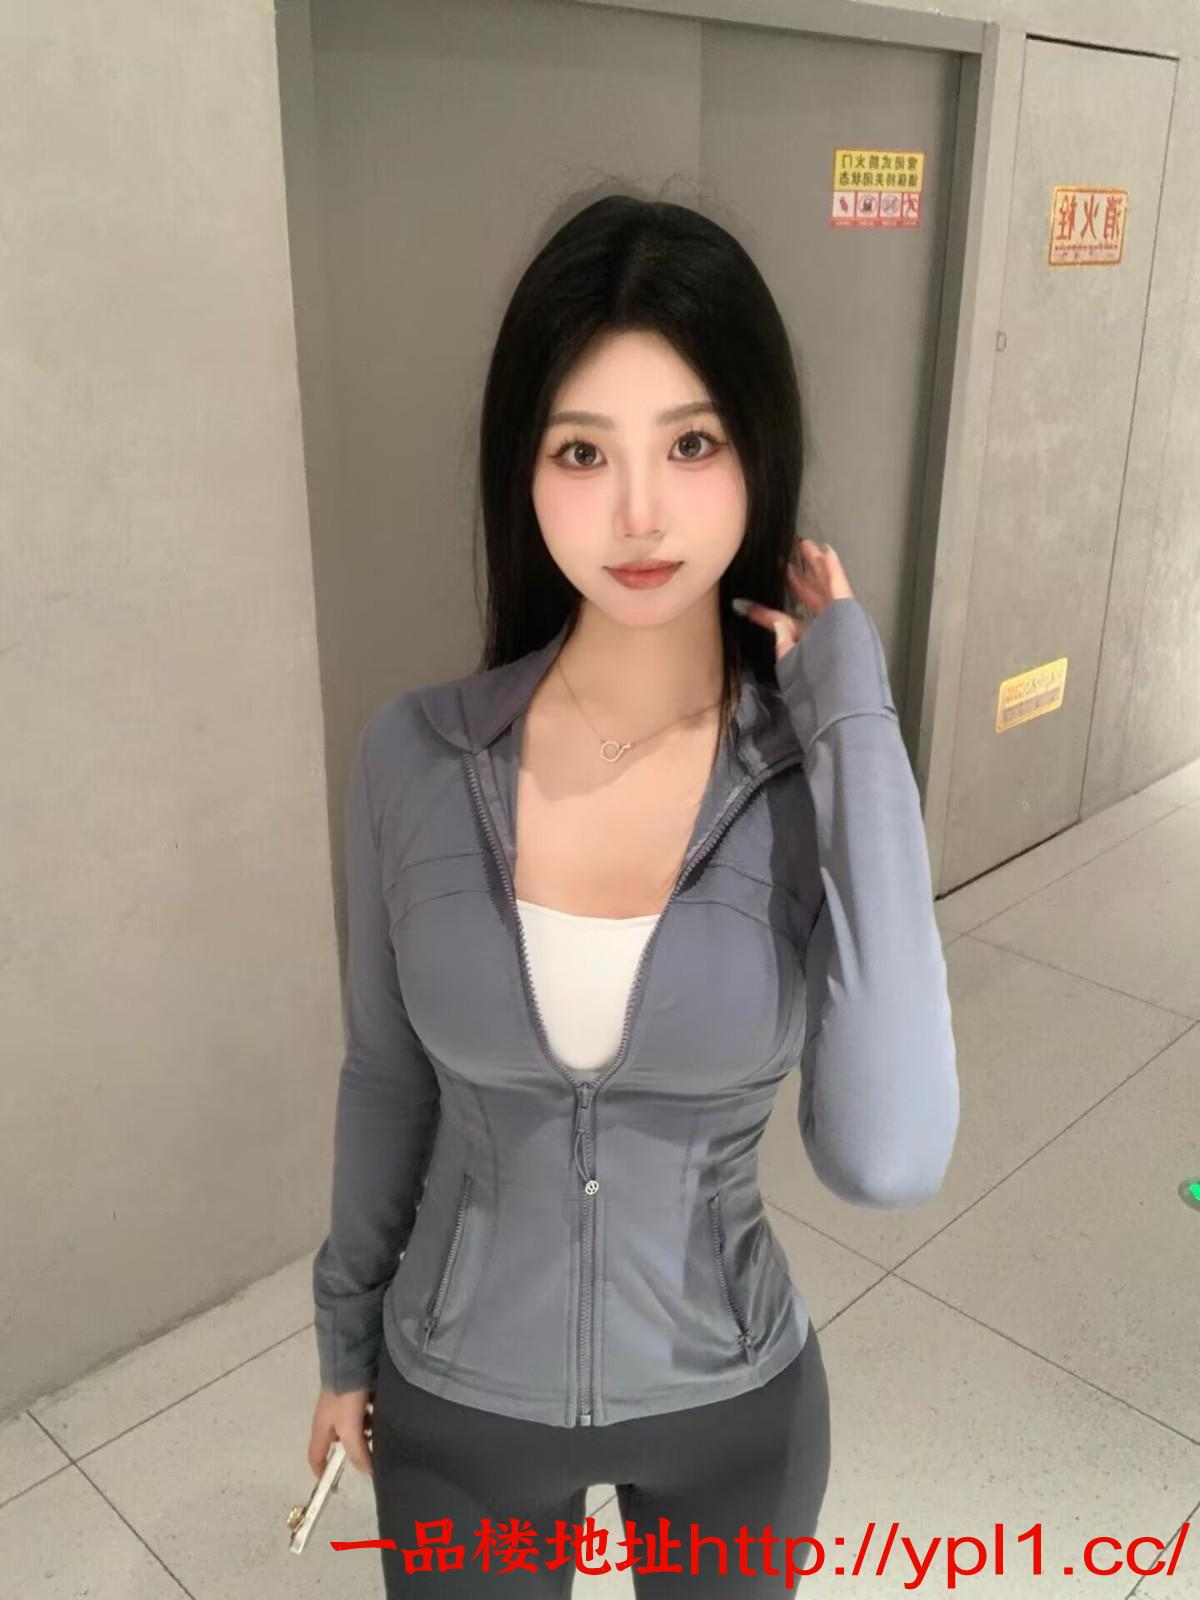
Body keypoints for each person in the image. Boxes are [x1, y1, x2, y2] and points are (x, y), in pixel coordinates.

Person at [305, 188, 960, 1597]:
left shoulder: (809, 774)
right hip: (460, 1406)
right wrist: (344, 1339)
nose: (641, 512)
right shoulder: (414, 758)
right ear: (525, 470)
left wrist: (852, 711)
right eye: (584, 451)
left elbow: (892, 1153)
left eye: (693, 443)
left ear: (757, 451)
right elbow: (384, 1077)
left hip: (734, 1407)